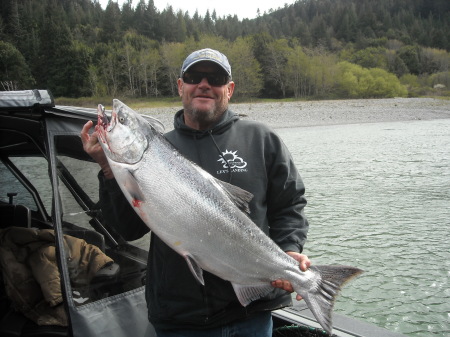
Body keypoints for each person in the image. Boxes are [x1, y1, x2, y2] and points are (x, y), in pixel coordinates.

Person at [81, 48, 310, 337]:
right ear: (180, 86)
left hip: (250, 317)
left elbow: (290, 205)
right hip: (179, 319)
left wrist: (289, 250)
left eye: (215, 78)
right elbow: (126, 230)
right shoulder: (158, 151)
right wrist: (107, 166)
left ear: (230, 89)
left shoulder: (261, 139)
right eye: (193, 77)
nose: (204, 84)